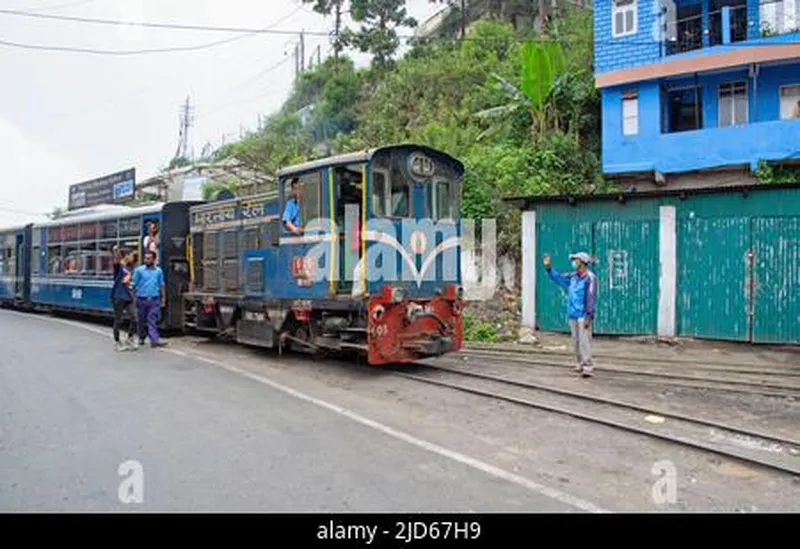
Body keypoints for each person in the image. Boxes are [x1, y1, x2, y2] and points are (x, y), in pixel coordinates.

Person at [543, 251, 598, 377]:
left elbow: (591, 297)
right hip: (572, 313)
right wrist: (549, 269)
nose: (574, 262)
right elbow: (560, 279)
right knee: (576, 341)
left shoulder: (590, 278)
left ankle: (587, 366)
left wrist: (589, 316)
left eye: (576, 260)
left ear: (582, 262)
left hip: (583, 314)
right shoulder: (573, 276)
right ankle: (579, 363)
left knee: (584, 341)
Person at [132, 250, 167, 348]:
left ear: (154, 259)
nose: (146, 260)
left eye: (148, 258)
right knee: (141, 320)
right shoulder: (139, 270)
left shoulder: (158, 271)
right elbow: (134, 284)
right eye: (145, 258)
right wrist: (133, 299)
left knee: (152, 320)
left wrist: (163, 298)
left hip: (154, 299)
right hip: (141, 299)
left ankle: (154, 340)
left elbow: (162, 285)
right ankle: (141, 337)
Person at [110, 245, 138, 351]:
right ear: (126, 256)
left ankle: (130, 338)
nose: (133, 257)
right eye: (131, 255)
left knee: (134, 317)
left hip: (128, 296)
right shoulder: (119, 266)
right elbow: (116, 260)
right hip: (118, 296)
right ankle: (117, 342)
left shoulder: (129, 268)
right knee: (118, 319)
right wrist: (116, 251)